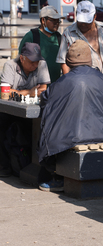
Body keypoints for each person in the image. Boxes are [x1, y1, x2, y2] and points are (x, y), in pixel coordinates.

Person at [37, 40, 103, 192]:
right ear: (89, 59)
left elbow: (44, 100)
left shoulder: (61, 82)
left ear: (68, 61)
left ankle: (56, 175)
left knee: (49, 129)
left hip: (71, 138)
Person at [0, 42, 50, 177]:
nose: (35, 65)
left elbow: (43, 89)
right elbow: (5, 92)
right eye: (32, 62)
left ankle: (36, 165)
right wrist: (29, 91)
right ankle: (4, 166)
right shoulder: (10, 65)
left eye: (37, 61)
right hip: (10, 111)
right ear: (22, 58)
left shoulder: (42, 64)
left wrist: (19, 92)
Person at [56, 0, 103, 84]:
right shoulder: (68, 33)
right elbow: (63, 62)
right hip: (81, 84)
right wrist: (70, 84)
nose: (83, 24)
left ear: (94, 17)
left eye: (87, 22)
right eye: (81, 21)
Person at [19, 6, 64, 84]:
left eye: (58, 21)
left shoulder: (59, 37)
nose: (57, 23)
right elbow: (21, 61)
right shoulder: (31, 36)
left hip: (55, 86)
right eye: (53, 20)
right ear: (43, 20)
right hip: (35, 87)